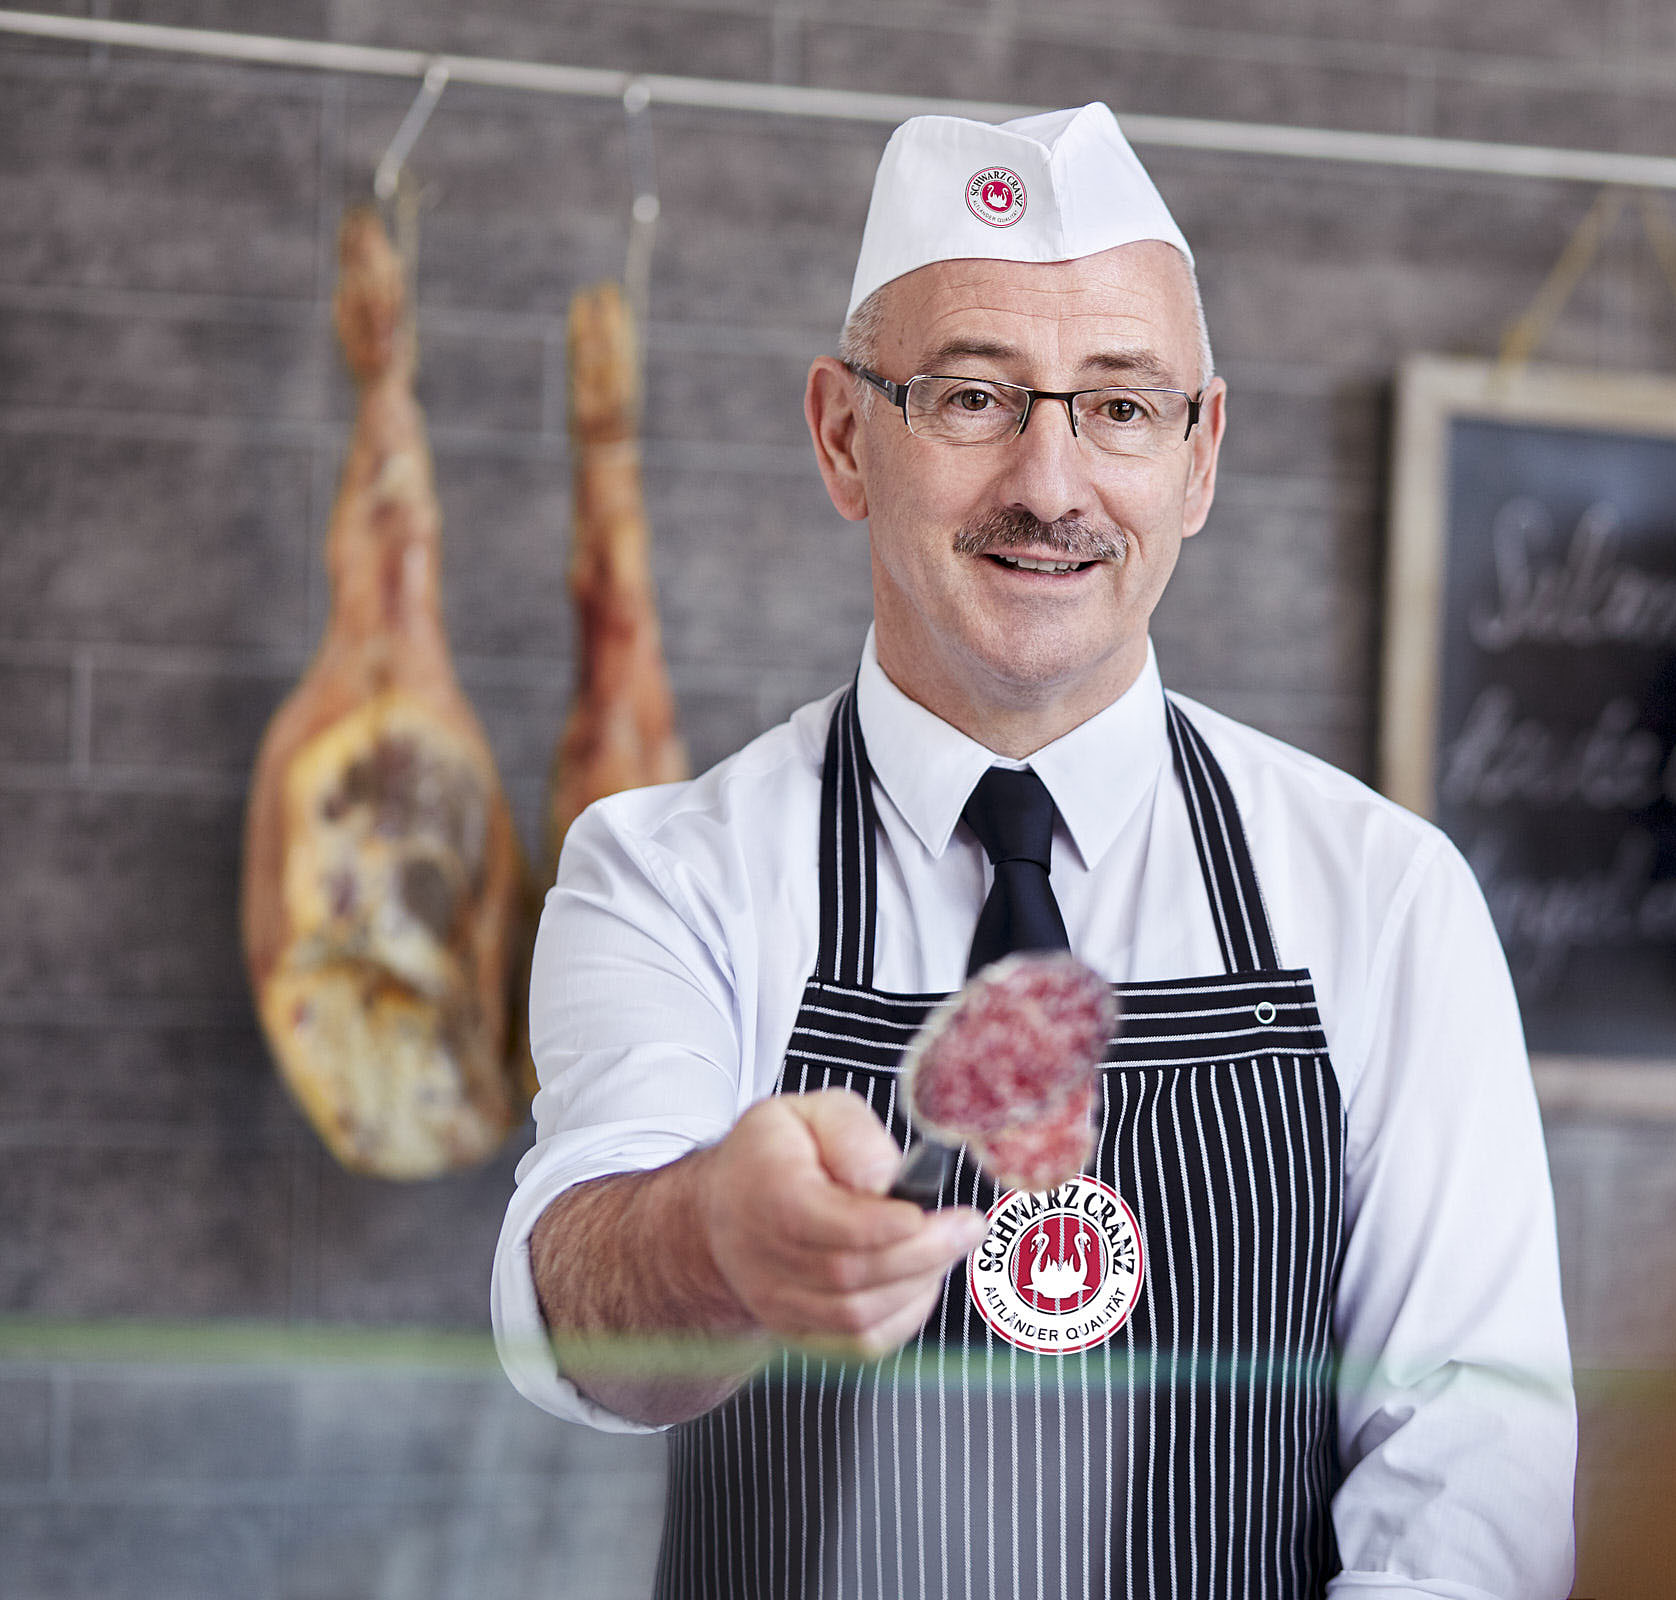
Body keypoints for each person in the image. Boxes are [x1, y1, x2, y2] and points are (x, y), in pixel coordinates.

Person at [492, 101, 1576, 1600]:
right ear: (840, 435)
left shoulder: (1384, 899)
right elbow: (582, 1292)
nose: (1052, 486)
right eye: (971, 398)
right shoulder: (671, 874)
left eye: (1121, 407)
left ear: (1199, 459)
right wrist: (718, 1244)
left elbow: (1475, 1475)